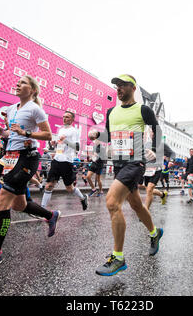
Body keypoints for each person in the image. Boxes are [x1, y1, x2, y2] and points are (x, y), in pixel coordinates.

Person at [0, 76, 60, 269]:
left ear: (33, 90)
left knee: (3, 200)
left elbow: (48, 135)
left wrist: (27, 134)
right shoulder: (11, 108)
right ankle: (50, 215)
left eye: (23, 83)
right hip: (10, 156)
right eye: (17, 82)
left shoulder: (35, 108)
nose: (18, 84)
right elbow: (12, 133)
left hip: (27, 157)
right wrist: (3, 132)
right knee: (19, 204)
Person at [95, 74, 163, 276]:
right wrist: (97, 135)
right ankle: (154, 233)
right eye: (116, 85)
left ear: (133, 88)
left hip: (136, 162)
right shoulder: (111, 112)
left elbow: (157, 132)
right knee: (136, 205)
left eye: (123, 85)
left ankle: (118, 257)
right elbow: (109, 135)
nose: (118, 88)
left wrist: (154, 151)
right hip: (118, 162)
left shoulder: (143, 110)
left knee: (112, 202)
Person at [41, 111, 89, 210]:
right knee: (49, 185)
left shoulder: (74, 131)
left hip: (67, 162)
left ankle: (83, 198)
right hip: (57, 160)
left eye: (67, 117)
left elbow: (77, 147)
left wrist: (65, 140)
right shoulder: (61, 130)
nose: (64, 118)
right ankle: (42, 209)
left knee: (69, 188)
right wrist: (54, 144)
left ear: (72, 119)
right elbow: (60, 144)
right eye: (63, 117)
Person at [87, 129, 105, 197]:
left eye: (92, 138)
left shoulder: (101, 144)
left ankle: (101, 191)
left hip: (99, 163)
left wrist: (95, 156)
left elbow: (100, 155)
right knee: (88, 176)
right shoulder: (95, 144)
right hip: (94, 163)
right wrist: (91, 157)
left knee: (98, 179)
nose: (92, 140)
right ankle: (93, 189)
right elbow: (94, 154)